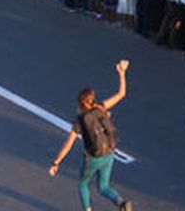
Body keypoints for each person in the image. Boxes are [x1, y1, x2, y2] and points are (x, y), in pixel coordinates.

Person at [48, 60, 134, 211]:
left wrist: (56, 163)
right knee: (103, 186)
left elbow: (67, 145)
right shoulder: (101, 107)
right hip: (109, 154)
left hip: (93, 158)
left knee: (83, 184)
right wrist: (122, 73)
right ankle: (121, 203)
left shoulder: (79, 121)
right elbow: (121, 94)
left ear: (80, 104)